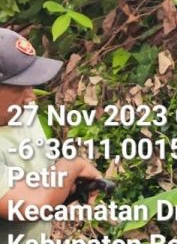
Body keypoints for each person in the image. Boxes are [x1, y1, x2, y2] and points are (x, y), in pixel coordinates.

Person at [1, 27, 103, 239]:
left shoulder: (20, 115)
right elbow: (27, 204)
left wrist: (72, 187)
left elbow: (38, 183)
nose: (31, 97)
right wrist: (70, 167)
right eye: (19, 88)